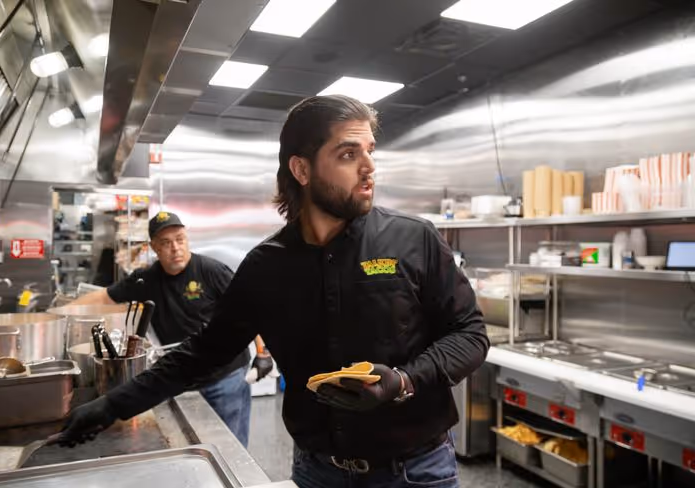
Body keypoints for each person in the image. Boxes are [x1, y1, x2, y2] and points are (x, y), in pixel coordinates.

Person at [57, 95, 489, 488]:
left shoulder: (414, 240)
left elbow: (469, 333)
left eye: (370, 152)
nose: (369, 167)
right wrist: (112, 406)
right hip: (318, 473)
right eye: (347, 154)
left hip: (415, 472)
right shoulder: (267, 266)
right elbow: (204, 352)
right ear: (301, 169)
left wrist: (404, 381)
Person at [67, 211, 273, 447]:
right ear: (153, 247)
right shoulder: (146, 280)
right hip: (182, 377)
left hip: (225, 376)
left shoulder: (211, 271)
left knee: (231, 446)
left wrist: (263, 353)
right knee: (196, 444)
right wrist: (58, 312)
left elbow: (247, 312)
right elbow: (104, 297)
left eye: (180, 239)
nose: (175, 248)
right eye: (166, 243)